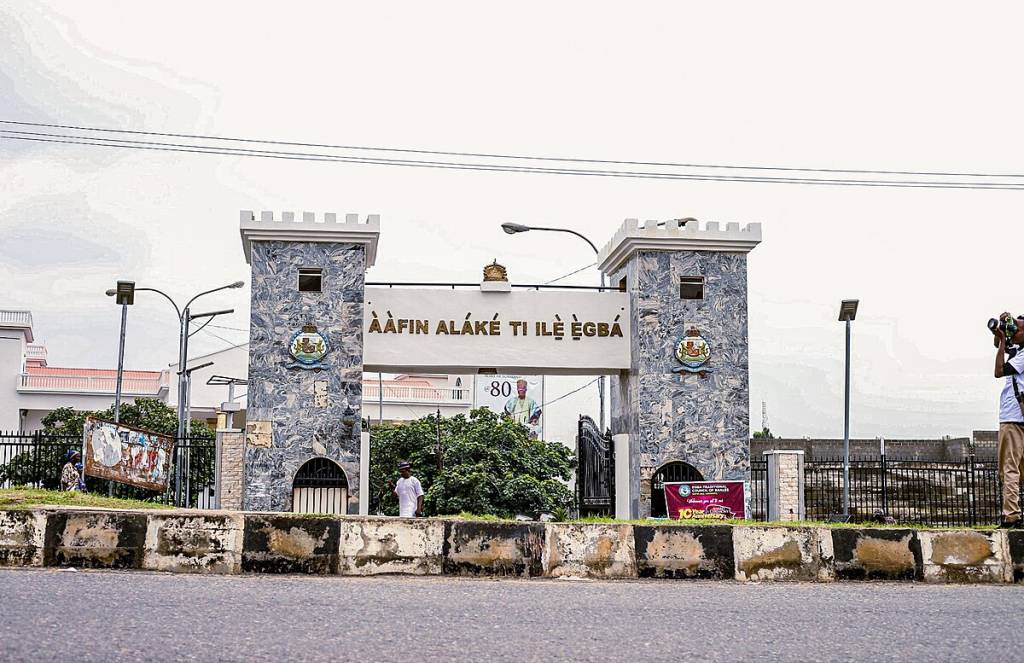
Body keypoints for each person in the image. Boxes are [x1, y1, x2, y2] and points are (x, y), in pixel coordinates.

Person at [992, 312, 1024, 527]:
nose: (1014, 333)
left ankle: (1011, 516)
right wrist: (1000, 334)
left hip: (1013, 418)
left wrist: (1003, 340)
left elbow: (999, 371)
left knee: (1010, 470)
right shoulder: (1018, 351)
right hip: (1019, 417)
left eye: (1017, 330)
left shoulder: (1022, 356)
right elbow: (999, 346)